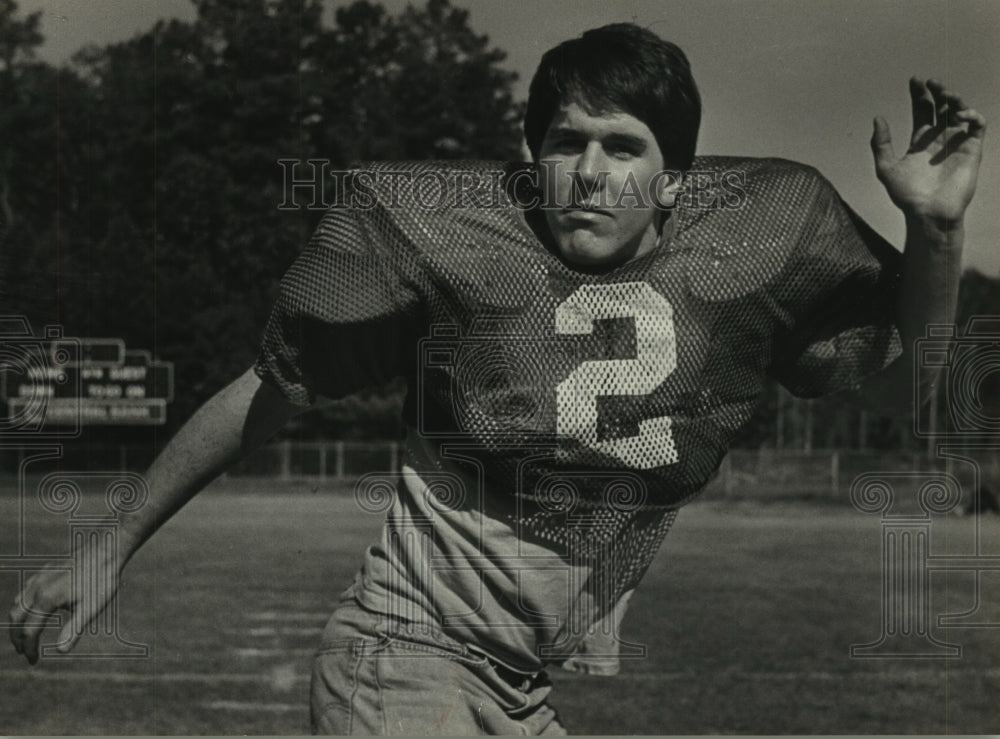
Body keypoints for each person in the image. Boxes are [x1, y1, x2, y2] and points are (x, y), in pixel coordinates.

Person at [8, 23, 986, 735]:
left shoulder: (756, 248)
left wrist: (936, 236)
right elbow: (271, 391)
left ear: (677, 181)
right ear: (534, 155)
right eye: (567, 142)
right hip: (402, 658)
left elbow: (907, 390)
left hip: (516, 688)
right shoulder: (448, 236)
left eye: (623, 147)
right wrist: (109, 546)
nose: (590, 172)